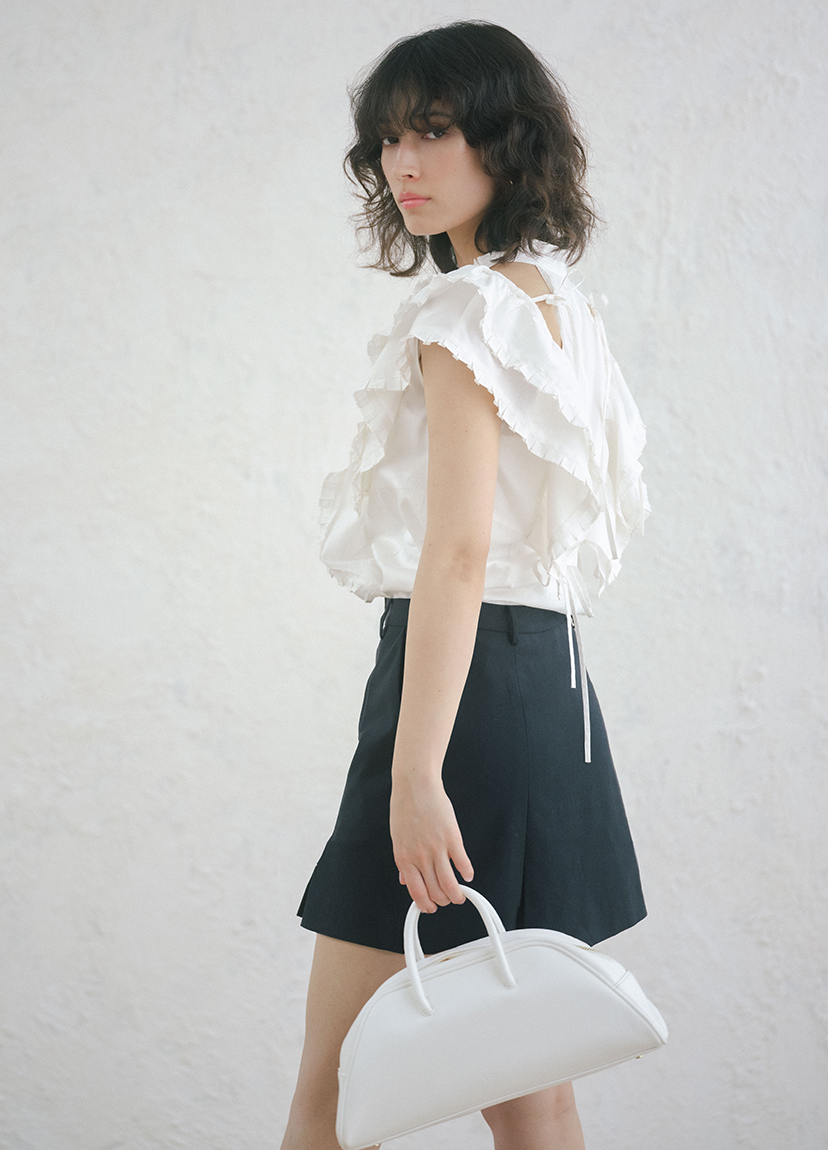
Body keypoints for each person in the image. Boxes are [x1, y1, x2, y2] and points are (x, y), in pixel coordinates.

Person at [281, 20, 650, 1150]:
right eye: (389, 139)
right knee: (534, 1087)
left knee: (335, 1093)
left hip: (460, 701)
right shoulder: (559, 304)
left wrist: (413, 773)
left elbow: (457, 553)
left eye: (434, 131)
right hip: (551, 699)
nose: (404, 163)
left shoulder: (467, 311)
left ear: (504, 139)